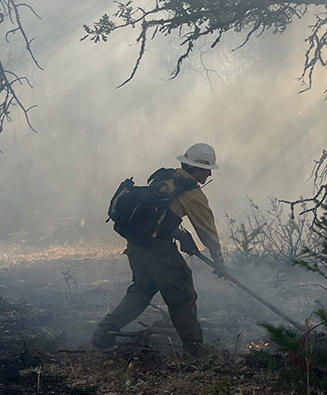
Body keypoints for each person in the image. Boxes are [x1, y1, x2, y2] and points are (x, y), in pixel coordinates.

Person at [91, 142, 229, 354]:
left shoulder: (165, 176)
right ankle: (195, 351)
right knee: (182, 294)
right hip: (158, 250)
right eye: (206, 168)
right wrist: (219, 261)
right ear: (194, 168)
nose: (209, 173)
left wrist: (182, 236)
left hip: (137, 245)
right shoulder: (192, 193)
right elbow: (207, 231)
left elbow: (156, 217)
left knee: (142, 290)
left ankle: (104, 333)